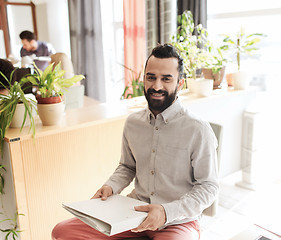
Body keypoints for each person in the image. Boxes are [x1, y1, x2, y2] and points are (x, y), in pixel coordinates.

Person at [51, 44, 219, 240]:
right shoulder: (133, 123)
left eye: (166, 79)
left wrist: (166, 211)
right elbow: (127, 166)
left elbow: (208, 187)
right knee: (62, 232)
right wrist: (111, 186)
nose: (157, 86)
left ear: (180, 83)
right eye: (151, 77)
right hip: (132, 213)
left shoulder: (198, 129)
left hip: (176, 221)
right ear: (144, 79)